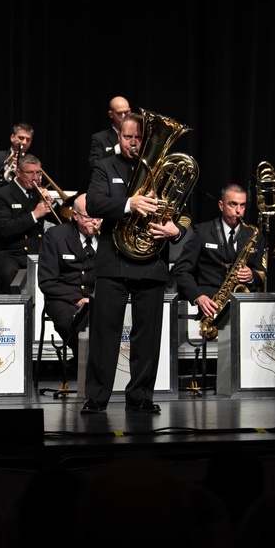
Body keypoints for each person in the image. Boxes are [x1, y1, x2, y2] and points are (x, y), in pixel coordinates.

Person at [81, 112, 189, 414]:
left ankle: (141, 396)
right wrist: (130, 204)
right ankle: (96, 397)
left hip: (151, 262)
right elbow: (93, 203)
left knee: (147, 336)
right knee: (105, 334)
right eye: (128, 137)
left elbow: (183, 210)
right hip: (113, 262)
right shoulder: (104, 166)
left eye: (139, 138)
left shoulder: (163, 169)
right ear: (119, 137)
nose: (134, 143)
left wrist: (175, 230)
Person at [172, 182, 267, 323]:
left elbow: (262, 272)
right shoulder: (202, 232)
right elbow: (181, 271)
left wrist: (251, 276)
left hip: (245, 306)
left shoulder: (253, 234)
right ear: (221, 205)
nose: (238, 211)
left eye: (242, 205)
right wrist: (199, 297)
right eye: (233, 204)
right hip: (210, 305)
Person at [37, 193, 100, 359]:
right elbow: (47, 281)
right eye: (89, 217)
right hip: (63, 298)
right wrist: (77, 299)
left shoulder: (108, 237)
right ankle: (85, 364)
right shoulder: (55, 236)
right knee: (69, 322)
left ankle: (88, 366)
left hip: (97, 297)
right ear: (76, 215)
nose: (95, 222)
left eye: (98, 216)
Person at [0, 153, 58, 294]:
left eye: (38, 173)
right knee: (10, 274)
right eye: (30, 173)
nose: (35, 178)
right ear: (18, 172)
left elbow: (62, 221)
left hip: (37, 252)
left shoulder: (38, 193)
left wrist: (52, 203)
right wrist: (34, 215)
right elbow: (5, 228)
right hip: (10, 253)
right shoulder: (1, 194)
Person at [0, 122, 34, 190]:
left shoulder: (32, 161)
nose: (24, 142)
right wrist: (5, 163)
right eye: (21, 138)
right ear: (12, 137)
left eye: (28, 140)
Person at [88, 95, 131, 168]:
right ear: (111, 114)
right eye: (119, 113)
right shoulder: (100, 138)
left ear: (130, 110)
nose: (123, 116)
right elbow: (94, 163)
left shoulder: (139, 136)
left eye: (126, 112)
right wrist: (116, 149)